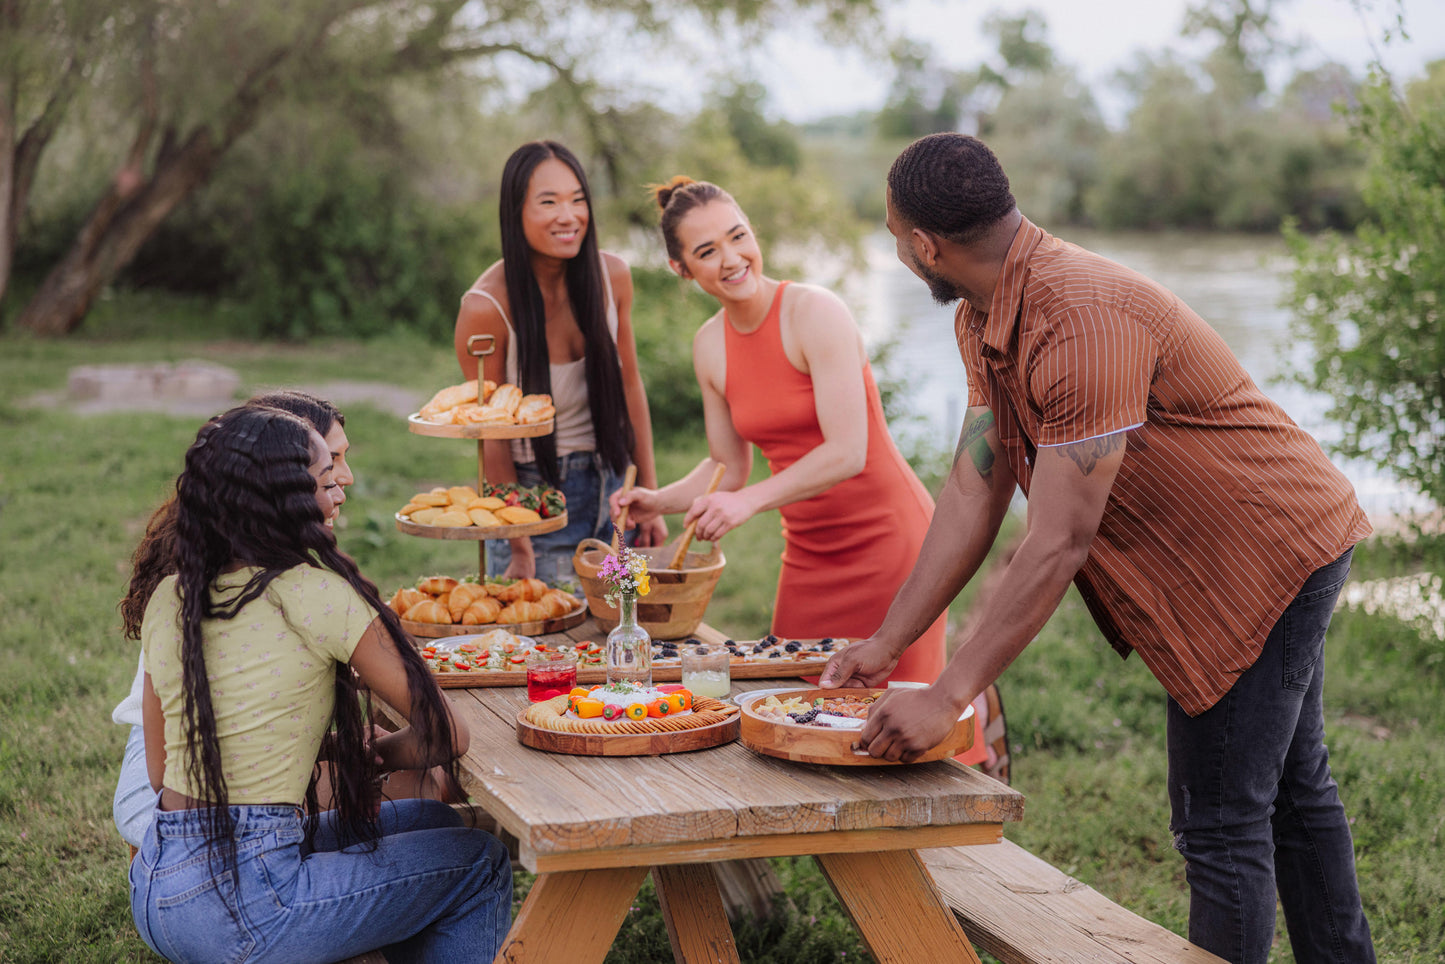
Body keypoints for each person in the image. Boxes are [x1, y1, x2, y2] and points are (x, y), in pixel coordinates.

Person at [821, 132, 1375, 964]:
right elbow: (977, 484)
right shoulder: (984, 314)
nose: (898, 249)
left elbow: (1056, 542)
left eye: (894, 233)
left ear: (922, 246)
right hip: (1235, 542)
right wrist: (889, 641)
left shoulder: (1079, 320)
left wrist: (950, 696)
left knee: (1221, 818)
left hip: (1268, 550)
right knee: (1291, 792)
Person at [130, 405, 512, 963]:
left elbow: (162, 772)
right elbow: (447, 735)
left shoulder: (172, 597)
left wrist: (322, 746)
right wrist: (378, 755)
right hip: (251, 908)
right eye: (327, 481)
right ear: (284, 498)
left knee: (430, 822)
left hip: (159, 886)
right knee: (480, 862)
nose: (340, 495)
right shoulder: (315, 595)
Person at [613, 175, 960, 701]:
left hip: (892, 546)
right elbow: (726, 464)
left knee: (895, 718)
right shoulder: (710, 346)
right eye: (707, 251)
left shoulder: (813, 312)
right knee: (788, 708)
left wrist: (746, 503)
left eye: (738, 236)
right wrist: (656, 501)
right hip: (808, 555)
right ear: (681, 269)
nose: (732, 258)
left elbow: (847, 451)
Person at [113, 392, 454, 853]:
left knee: (421, 799)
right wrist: (364, 751)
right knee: (439, 821)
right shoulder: (308, 595)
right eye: (330, 466)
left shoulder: (186, 582)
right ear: (278, 478)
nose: (344, 482)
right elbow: (446, 731)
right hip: (182, 792)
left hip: (173, 852)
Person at [455, 140, 665, 584]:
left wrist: (649, 495)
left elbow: (631, 388)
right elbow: (493, 437)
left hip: (614, 492)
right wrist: (520, 542)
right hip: (534, 498)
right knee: (543, 649)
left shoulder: (614, 277)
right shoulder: (486, 307)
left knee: (620, 641)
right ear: (516, 212)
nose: (568, 216)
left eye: (578, 200)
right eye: (548, 202)